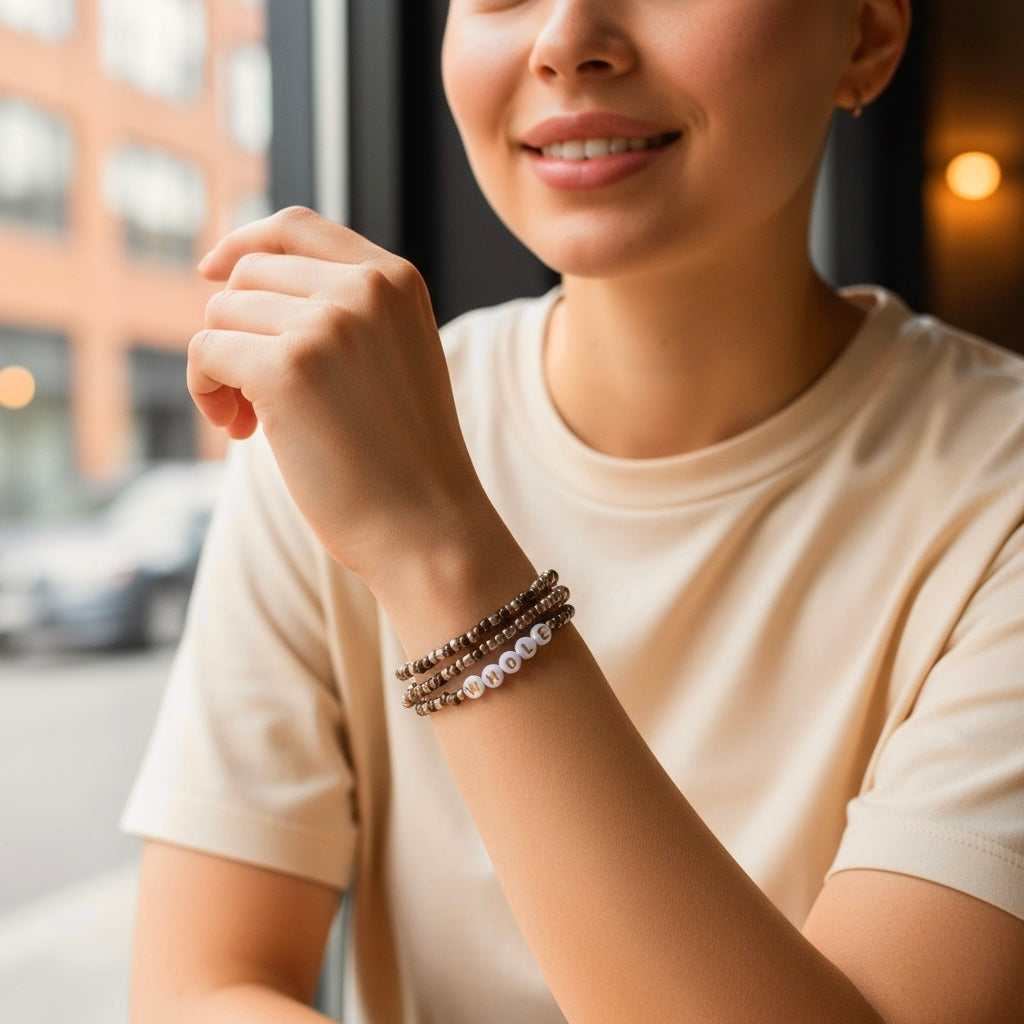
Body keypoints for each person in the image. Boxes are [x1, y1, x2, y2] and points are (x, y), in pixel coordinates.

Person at [122, 1, 1024, 1021]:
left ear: (863, 32)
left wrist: (436, 549)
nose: (564, 37)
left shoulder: (999, 497)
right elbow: (200, 984)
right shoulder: (341, 422)